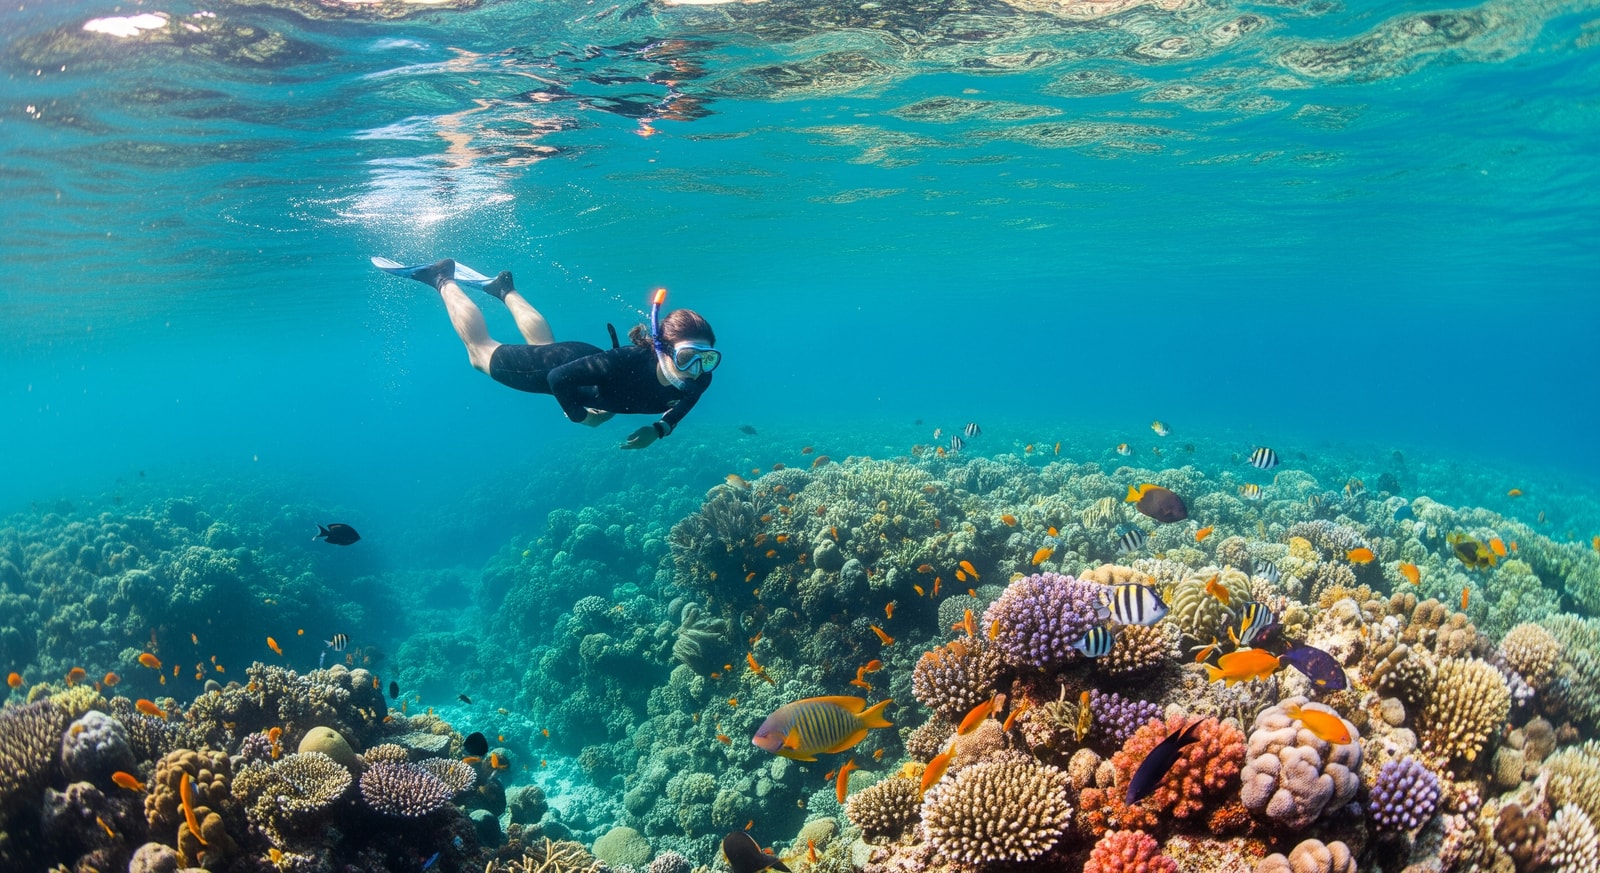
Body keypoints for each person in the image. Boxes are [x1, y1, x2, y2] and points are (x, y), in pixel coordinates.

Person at [384, 258, 718, 449]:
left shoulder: (699, 379)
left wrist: (660, 429)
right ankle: (441, 277)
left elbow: (687, 401)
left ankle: (504, 289)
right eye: (688, 356)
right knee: (479, 353)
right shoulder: (629, 359)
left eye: (707, 358)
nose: (695, 369)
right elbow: (558, 378)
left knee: (543, 346)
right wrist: (583, 418)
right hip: (558, 370)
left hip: (584, 362)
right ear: (662, 348)